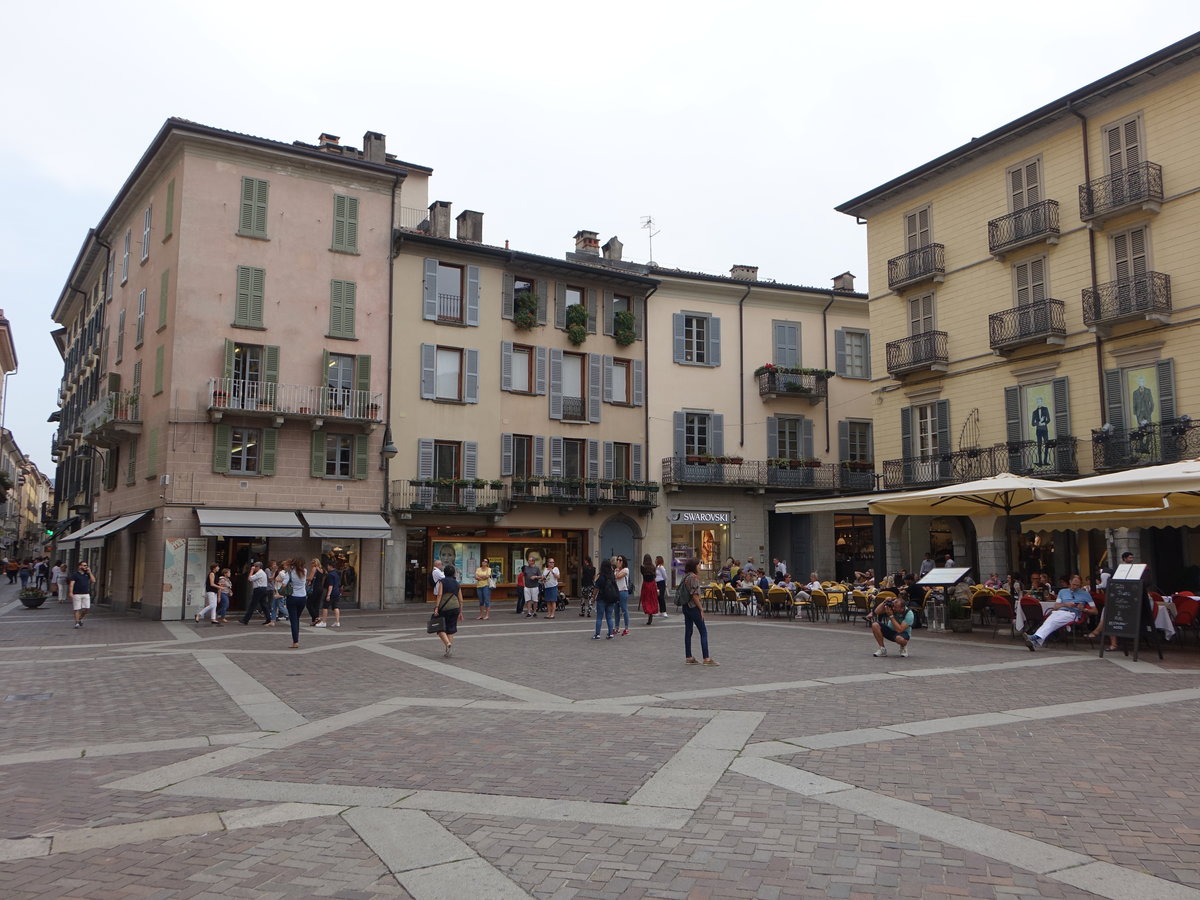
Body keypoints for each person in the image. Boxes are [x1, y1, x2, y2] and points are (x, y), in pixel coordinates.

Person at [1024, 573, 1095, 651]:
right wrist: (1065, 604)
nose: (1075, 587)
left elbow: (1095, 611)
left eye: (1077, 585)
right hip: (1060, 611)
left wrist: (1084, 609)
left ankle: (1035, 637)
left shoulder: (1085, 594)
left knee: (1054, 621)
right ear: (1070, 582)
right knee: (1049, 621)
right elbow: (1056, 606)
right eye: (1073, 584)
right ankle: (1036, 641)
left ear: (1080, 584)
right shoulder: (1062, 592)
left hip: (1073, 614)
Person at [679, 557, 718, 665]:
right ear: (694, 566)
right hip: (693, 607)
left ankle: (689, 656)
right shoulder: (694, 578)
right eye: (699, 564)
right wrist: (701, 608)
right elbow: (695, 595)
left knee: (688, 631)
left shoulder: (685, 577)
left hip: (686, 606)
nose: (700, 566)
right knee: (703, 631)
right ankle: (706, 658)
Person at [434, 564, 462, 657]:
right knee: (451, 628)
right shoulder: (457, 583)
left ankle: (447, 643)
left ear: (444, 572)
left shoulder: (442, 581)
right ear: (453, 573)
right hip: (455, 607)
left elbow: (439, 595)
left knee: (440, 627)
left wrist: (437, 607)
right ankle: (448, 649)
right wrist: (460, 611)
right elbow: (461, 599)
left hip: (444, 607)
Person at [282, 558, 308, 648]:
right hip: (303, 597)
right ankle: (296, 639)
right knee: (297, 618)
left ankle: (295, 641)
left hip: (292, 597)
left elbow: (284, 585)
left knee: (293, 620)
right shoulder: (305, 571)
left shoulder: (289, 573)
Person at [593, 558, 618, 639]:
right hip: (610, 599)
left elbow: (596, 588)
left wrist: (593, 598)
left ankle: (597, 634)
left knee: (599, 617)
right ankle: (610, 633)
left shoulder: (601, 576)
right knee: (609, 617)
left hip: (601, 598)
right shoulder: (612, 576)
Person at [68, 560, 95, 628]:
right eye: (84, 565)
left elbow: (93, 580)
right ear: (80, 566)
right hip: (77, 594)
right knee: (77, 608)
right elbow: (72, 584)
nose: (86, 567)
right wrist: (71, 592)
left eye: (86, 565)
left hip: (85, 593)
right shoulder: (75, 575)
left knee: (87, 608)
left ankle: (79, 619)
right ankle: (77, 622)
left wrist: (90, 572)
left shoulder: (87, 574)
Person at [317, 562, 342, 627]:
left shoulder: (330, 575)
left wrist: (328, 595)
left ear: (330, 566)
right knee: (335, 606)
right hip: (337, 592)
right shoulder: (337, 574)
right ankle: (337, 621)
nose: (327, 567)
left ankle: (324, 622)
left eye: (328, 566)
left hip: (332, 592)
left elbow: (330, 585)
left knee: (325, 607)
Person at [639, 554, 659, 625]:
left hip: (646, 584)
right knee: (652, 598)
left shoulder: (642, 567)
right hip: (652, 584)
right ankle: (651, 611)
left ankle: (648, 610)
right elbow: (655, 575)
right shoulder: (653, 567)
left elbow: (642, 573)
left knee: (646, 598)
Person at [614, 555, 631, 635]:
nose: (618, 561)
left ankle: (626, 628)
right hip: (616, 592)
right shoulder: (616, 570)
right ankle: (616, 627)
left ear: (623, 561)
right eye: (617, 560)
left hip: (623, 592)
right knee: (616, 610)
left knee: (624, 610)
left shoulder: (626, 570)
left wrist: (617, 569)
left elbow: (618, 577)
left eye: (620, 560)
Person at [306, 558, 325, 626]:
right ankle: (314, 621)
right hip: (320, 588)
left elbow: (310, 578)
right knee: (316, 605)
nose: (311, 565)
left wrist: (304, 578)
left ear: (314, 563)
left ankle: (316, 618)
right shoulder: (322, 570)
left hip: (314, 588)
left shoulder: (314, 568)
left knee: (308, 604)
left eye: (312, 563)